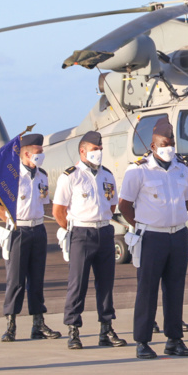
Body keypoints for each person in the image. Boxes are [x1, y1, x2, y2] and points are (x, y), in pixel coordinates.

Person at [119, 117, 188, 359]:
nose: (169, 148)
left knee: (175, 289)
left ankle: (174, 339)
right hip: (151, 237)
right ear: (153, 146)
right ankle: (142, 341)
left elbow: (187, 199)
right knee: (148, 289)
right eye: (164, 143)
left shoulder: (181, 169)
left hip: (178, 236)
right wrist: (143, 224)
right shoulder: (138, 171)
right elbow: (125, 205)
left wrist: (173, 219)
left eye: (172, 143)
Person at [53, 131, 127, 349]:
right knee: (78, 283)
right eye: (95, 149)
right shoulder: (71, 176)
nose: (99, 152)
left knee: (106, 283)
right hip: (82, 233)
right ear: (83, 151)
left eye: (100, 149)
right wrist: (73, 228)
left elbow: (112, 204)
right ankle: (73, 329)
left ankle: (106, 328)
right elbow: (59, 210)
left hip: (104, 231)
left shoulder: (107, 175)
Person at [0, 134, 62, 342]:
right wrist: (11, 221)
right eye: (38, 152)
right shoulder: (12, 176)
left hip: (38, 230)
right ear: (26, 153)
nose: (41, 155)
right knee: (15, 280)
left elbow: (43, 202)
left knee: (37, 279)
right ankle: (11, 324)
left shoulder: (42, 175)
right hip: (19, 231)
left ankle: (38, 323)